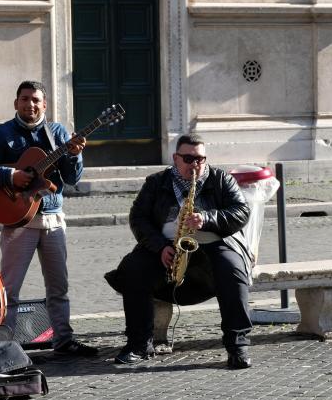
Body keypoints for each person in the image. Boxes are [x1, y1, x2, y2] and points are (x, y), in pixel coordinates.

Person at [0, 80, 98, 357]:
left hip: (52, 218)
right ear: (16, 103)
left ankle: (63, 340)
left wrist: (75, 155)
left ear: (45, 104)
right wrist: (10, 175)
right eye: (25, 99)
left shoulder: (58, 133)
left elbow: (72, 179)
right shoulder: (3, 133)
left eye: (36, 100)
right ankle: (5, 347)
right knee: (10, 289)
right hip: (19, 220)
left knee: (58, 287)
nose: (30, 104)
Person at [106, 134, 254, 368]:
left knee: (233, 271)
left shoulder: (221, 179)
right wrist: (160, 247)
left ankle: (237, 345)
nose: (195, 165)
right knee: (133, 269)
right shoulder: (156, 182)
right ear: (175, 158)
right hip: (167, 245)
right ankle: (139, 344)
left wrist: (207, 218)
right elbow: (139, 217)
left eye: (201, 159)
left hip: (213, 243)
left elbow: (241, 212)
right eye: (188, 159)